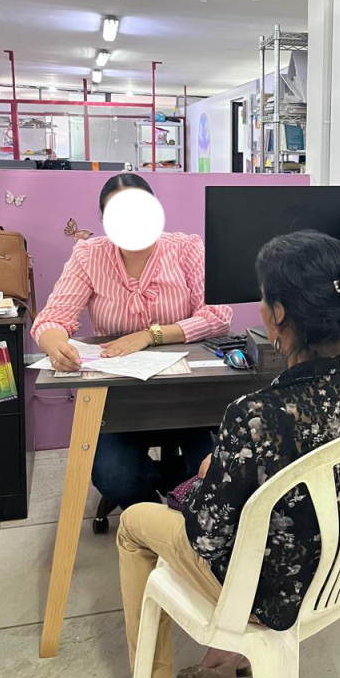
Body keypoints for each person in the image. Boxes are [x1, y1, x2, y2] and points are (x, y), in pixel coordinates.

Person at [117, 230, 340, 678]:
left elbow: (207, 538)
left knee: (135, 524)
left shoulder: (255, 415)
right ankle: (226, 661)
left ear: (279, 316)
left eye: (265, 300)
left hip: (271, 595)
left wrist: (210, 476)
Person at [31, 173, 233, 509]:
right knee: (114, 478)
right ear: (104, 219)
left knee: (215, 470)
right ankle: (154, 511)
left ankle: (184, 503)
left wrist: (150, 335)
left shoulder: (186, 248)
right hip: (121, 396)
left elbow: (218, 315)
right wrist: (55, 345)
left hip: (187, 390)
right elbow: (52, 318)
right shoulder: (89, 255)